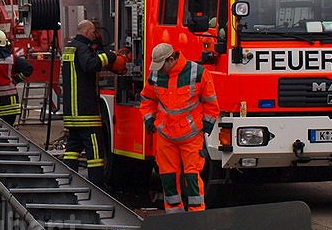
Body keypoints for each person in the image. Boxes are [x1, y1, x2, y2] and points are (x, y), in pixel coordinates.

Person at [140, 43, 220, 212]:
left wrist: (206, 127)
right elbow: (147, 100)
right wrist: (149, 119)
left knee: (192, 177)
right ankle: (174, 217)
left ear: (171, 59)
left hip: (190, 135)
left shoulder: (198, 73)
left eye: (162, 66)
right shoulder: (155, 75)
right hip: (165, 134)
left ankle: (196, 215)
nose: (159, 70)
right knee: (167, 177)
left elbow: (211, 103)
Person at [60, 19, 124, 186]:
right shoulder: (82, 49)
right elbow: (90, 64)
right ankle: (97, 188)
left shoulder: (70, 48)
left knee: (72, 149)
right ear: (87, 32)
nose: (95, 35)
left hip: (72, 113)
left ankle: (68, 183)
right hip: (86, 112)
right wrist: (111, 56)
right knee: (95, 153)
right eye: (94, 32)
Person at [0, 29, 34, 126]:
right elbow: (28, 68)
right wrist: (15, 80)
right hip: (12, 103)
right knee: (9, 132)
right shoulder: (11, 58)